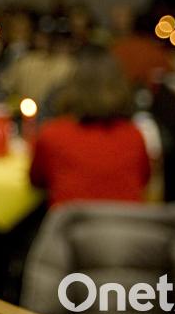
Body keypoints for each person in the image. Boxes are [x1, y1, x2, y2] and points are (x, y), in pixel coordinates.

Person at [29, 45, 151, 208]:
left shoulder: (53, 134)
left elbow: (36, 180)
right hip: (128, 230)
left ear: (71, 85)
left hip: (69, 230)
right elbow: (144, 181)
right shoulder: (134, 136)